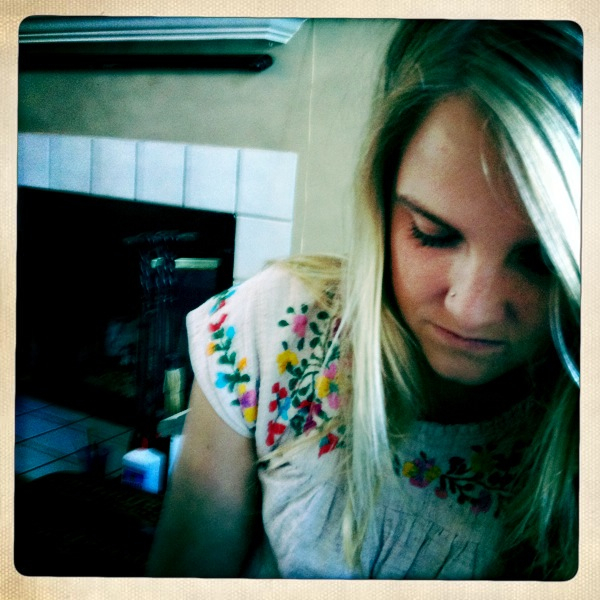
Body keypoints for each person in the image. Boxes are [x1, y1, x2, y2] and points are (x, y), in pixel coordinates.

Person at [146, 20, 581, 580]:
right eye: (431, 234)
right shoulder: (269, 330)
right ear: (381, 199)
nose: (470, 309)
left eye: (540, 259)